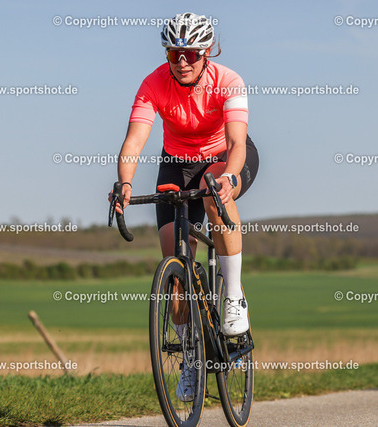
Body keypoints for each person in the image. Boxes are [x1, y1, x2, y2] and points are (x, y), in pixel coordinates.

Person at [112, 12, 259, 401]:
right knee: (175, 271)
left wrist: (230, 177)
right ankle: (192, 358)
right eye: (173, 53)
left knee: (213, 193)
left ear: (206, 52)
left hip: (224, 158)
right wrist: (125, 183)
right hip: (177, 164)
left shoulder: (228, 81)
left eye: (190, 53)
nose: (182, 61)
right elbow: (134, 142)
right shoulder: (153, 84)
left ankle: (233, 297)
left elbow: (238, 143)